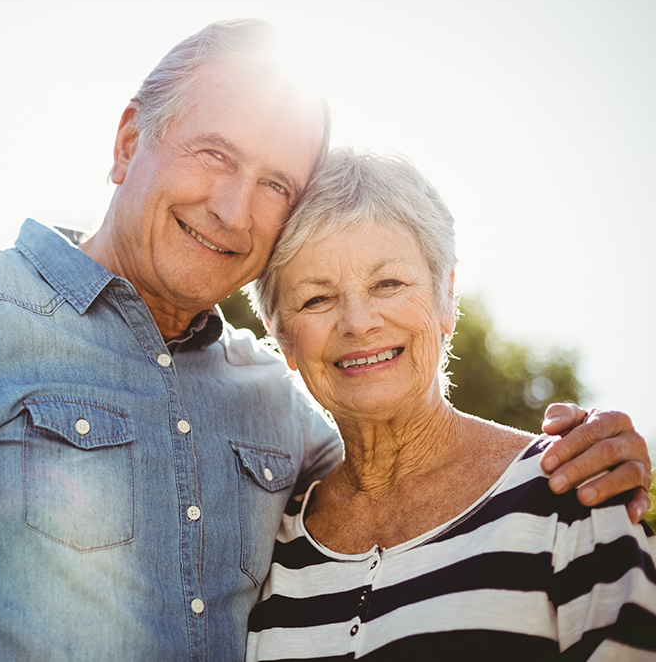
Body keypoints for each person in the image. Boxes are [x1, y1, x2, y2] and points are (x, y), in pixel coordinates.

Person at [0, 20, 650, 662]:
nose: (235, 211)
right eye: (215, 155)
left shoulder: (277, 401)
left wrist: (595, 453)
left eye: (276, 184)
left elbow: (406, 470)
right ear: (129, 141)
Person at [245, 148, 656, 660]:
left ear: (446, 301)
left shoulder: (572, 491)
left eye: (388, 283)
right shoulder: (270, 549)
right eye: (316, 299)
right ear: (283, 339)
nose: (357, 322)